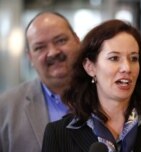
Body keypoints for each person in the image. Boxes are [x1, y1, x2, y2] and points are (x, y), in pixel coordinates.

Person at [42, 19, 141, 152]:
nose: (127, 68)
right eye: (114, 58)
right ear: (90, 67)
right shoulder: (58, 134)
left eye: (134, 58)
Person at [0, 11, 81, 152]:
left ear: (77, 41)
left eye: (61, 40)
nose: (53, 52)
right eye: (40, 47)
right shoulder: (5, 108)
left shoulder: (108, 95)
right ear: (30, 57)